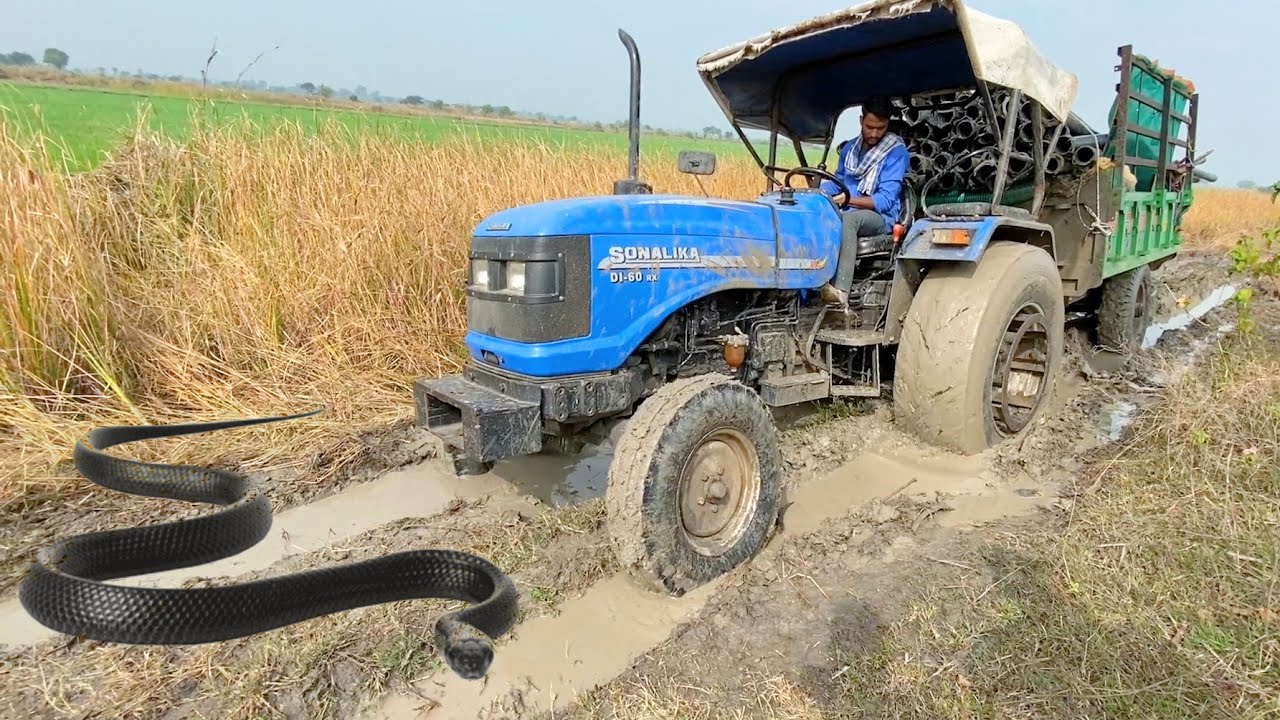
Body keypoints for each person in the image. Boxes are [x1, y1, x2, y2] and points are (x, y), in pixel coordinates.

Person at [817, 96, 909, 306]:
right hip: (848, 208)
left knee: (848, 220)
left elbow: (885, 200)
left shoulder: (896, 152)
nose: (874, 133)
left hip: (879, 217)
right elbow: (838, 181)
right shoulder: (850, 149)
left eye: (881, 128)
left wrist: (847, 199)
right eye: (870, 127)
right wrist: (815, 192)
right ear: (861, 121)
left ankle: (841, 292)